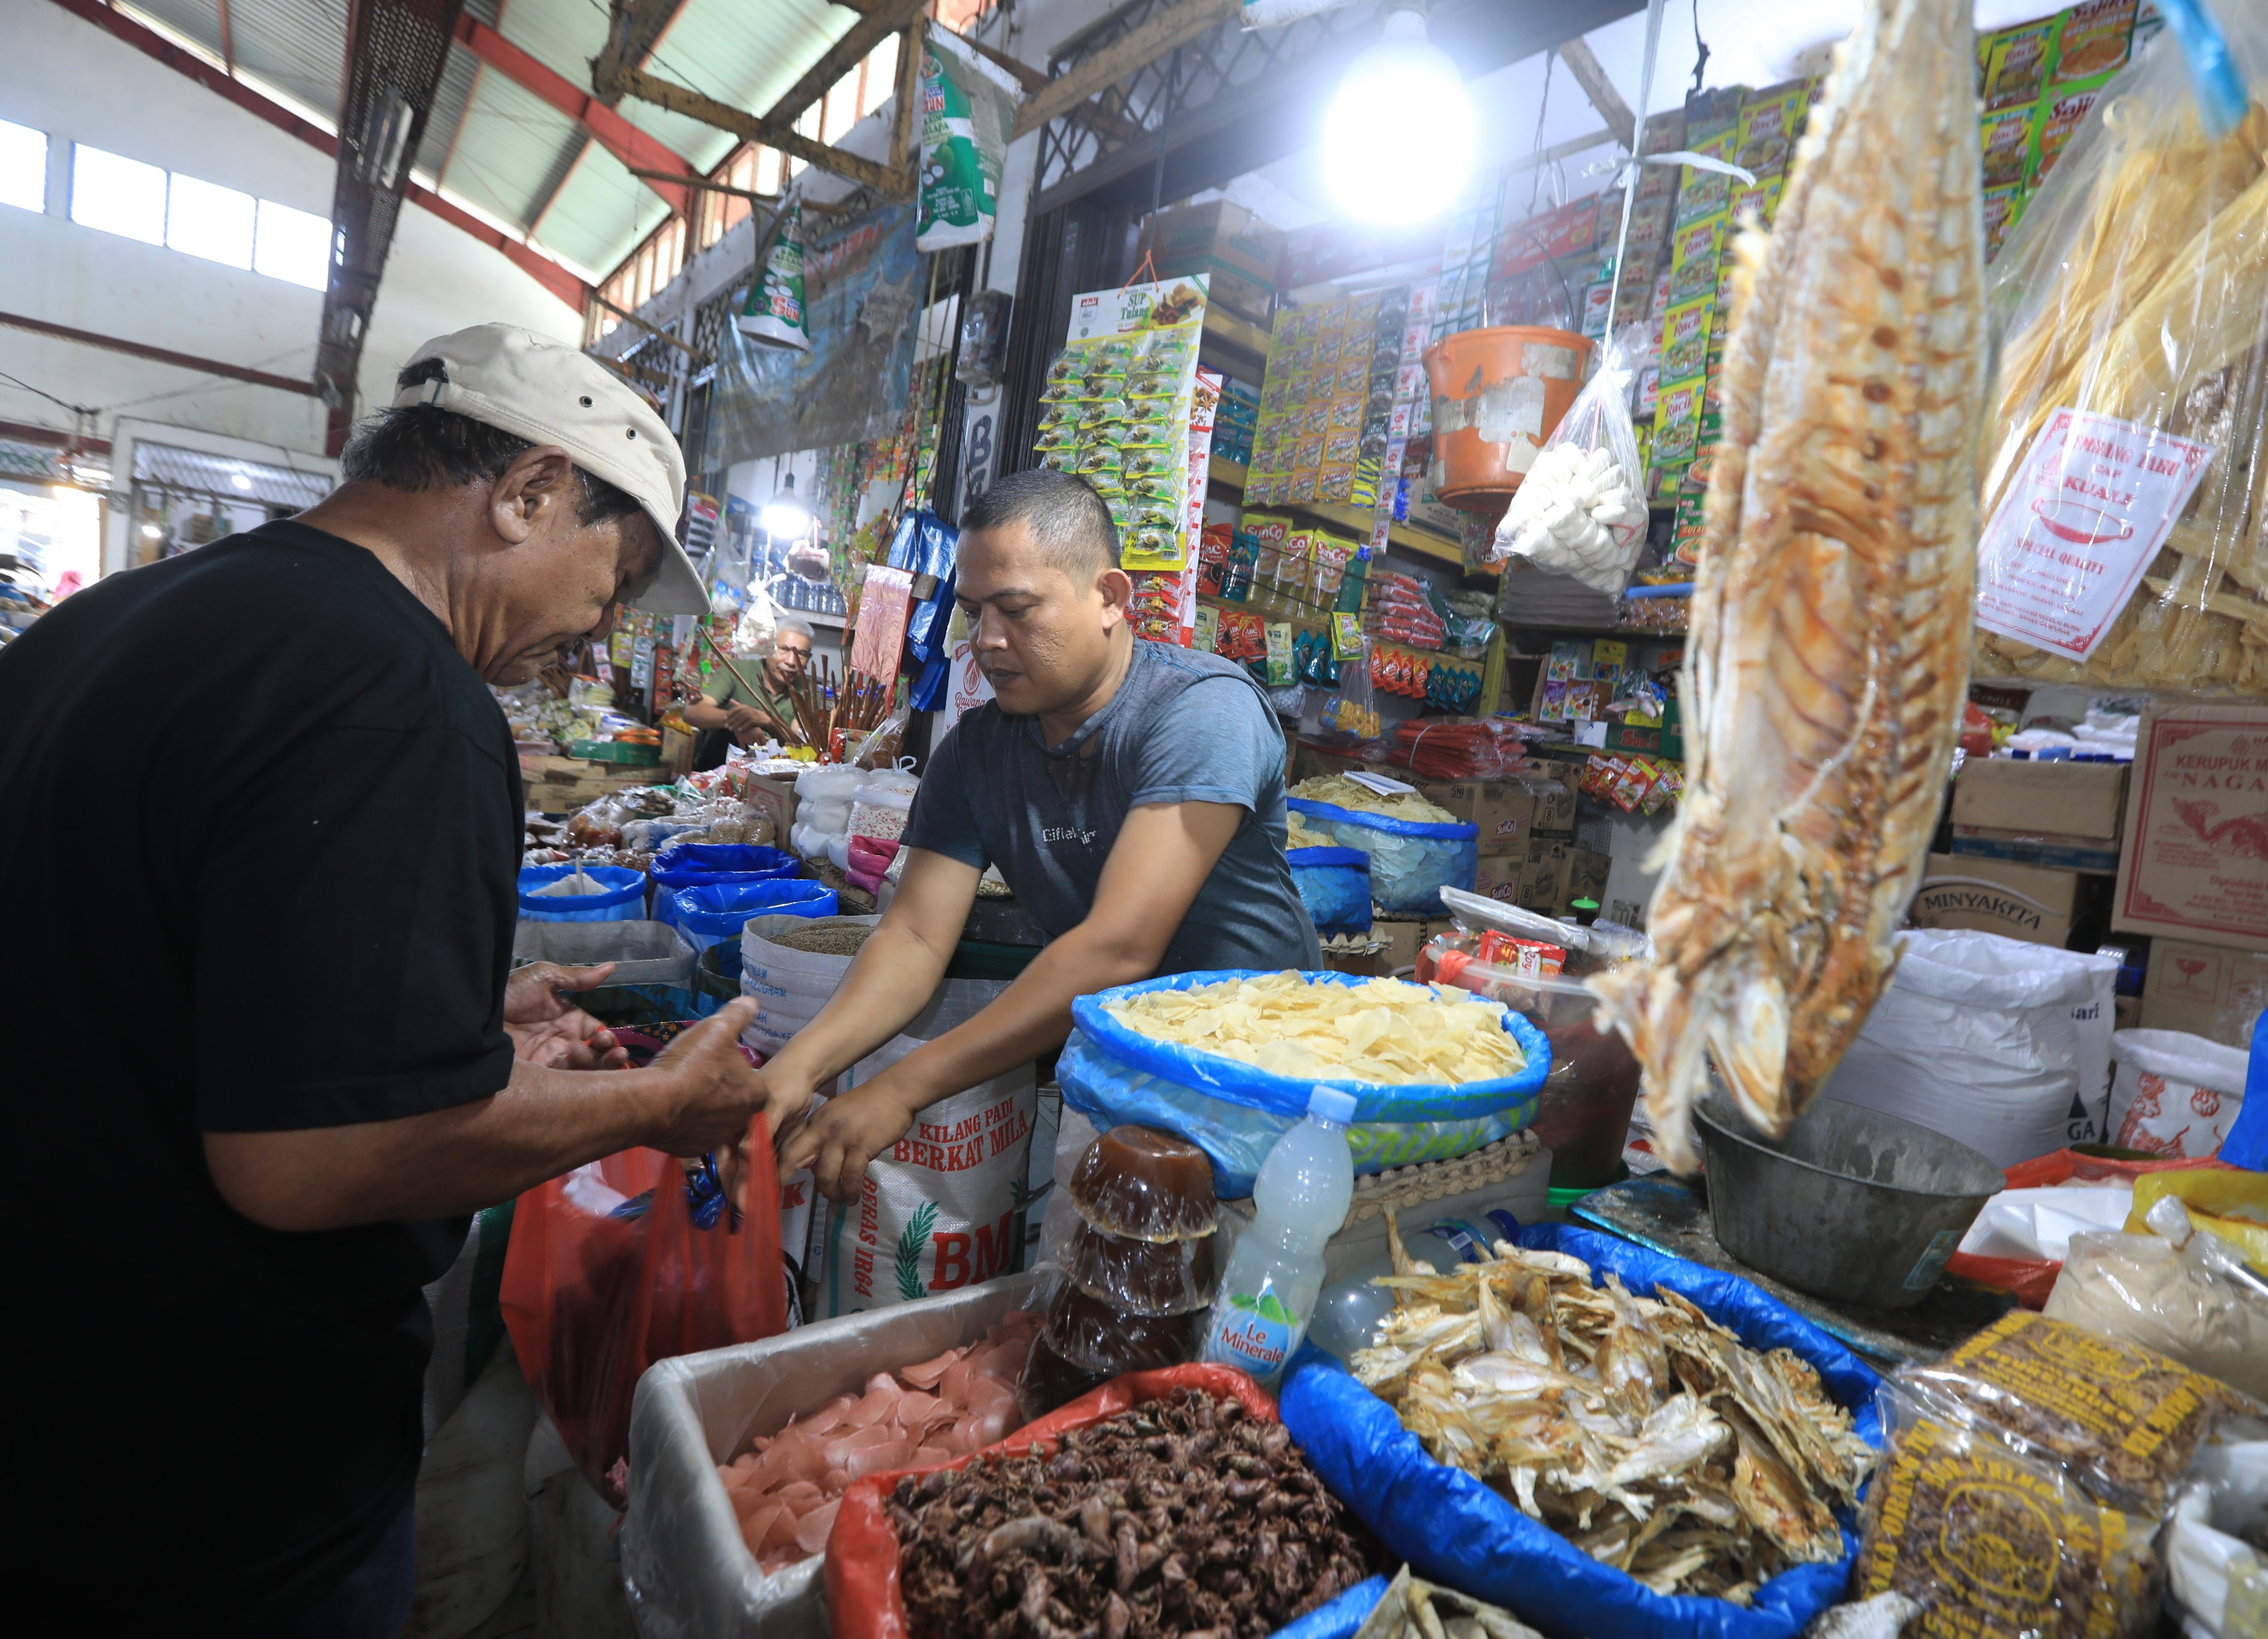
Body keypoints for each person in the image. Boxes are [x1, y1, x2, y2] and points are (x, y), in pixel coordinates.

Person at [2, 324, 772, 1637]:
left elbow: (176, 978)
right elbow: (311, 1157)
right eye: (612, 572)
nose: (597, 628)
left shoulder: (107, 627)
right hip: (200, 1491)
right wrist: (653, 1109)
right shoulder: (405, 694)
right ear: (527, 492)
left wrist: (453, 1032)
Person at [760, 468, 1318, 1203]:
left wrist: (902, 1088)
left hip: (1267, 1076)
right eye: (973, 612)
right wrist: (797, 1067)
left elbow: (1119, 946)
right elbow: (915, 940)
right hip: (1125, 1072)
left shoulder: (1202, 712)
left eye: (1018, 609)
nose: (987, 641)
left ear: (1111, 599)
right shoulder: (974, 753)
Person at [680, 615, 814, 768]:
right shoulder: (737, 670)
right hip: (718, 772)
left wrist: (768, 721)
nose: (791, 661)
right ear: (767, 649)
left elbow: (800, 743)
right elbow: (691, 712)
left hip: (774, 779)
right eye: (783, 650)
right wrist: (740, 723)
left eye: (801, 654)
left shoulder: (808, 691)